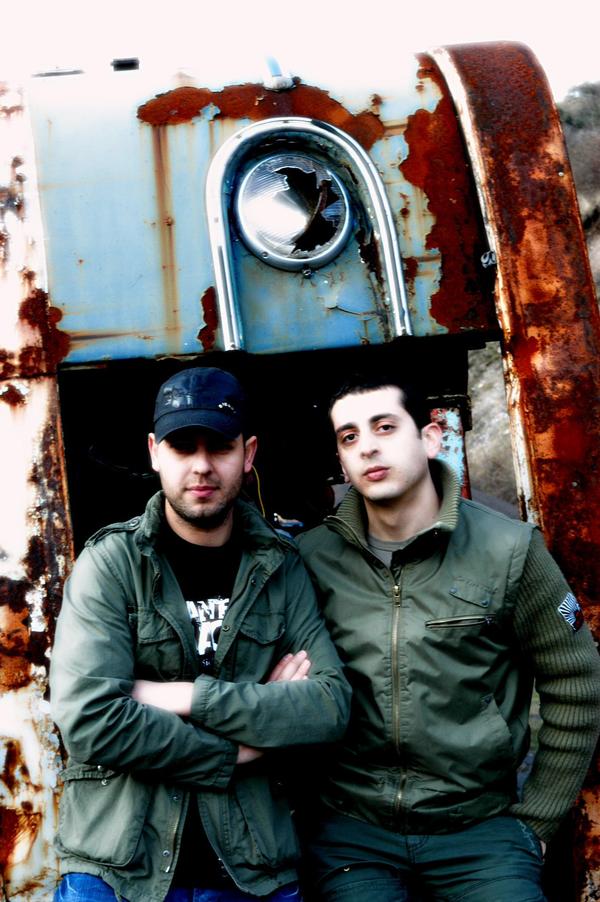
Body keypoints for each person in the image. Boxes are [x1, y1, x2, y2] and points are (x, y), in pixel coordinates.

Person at [50, 366, 351, 902]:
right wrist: (237, 751)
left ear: (248, 453)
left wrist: (184, 696)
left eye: (220, 446)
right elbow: (91, 721)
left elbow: (327, 708)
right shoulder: (112, 563)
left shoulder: (281, 567)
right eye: (182, 446)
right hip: (118, 871)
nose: (202, 465)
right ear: (154, 452)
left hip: (254, 869)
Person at [297, 373, 600, 902]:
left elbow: (576, 682)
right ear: (342, 462)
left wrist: (538, 821)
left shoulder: (509, 550)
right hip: (353, 832)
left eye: (385, 427)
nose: (367, 446)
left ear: (430, 438)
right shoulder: (310, 558)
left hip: (480, 829)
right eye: (349, 436)